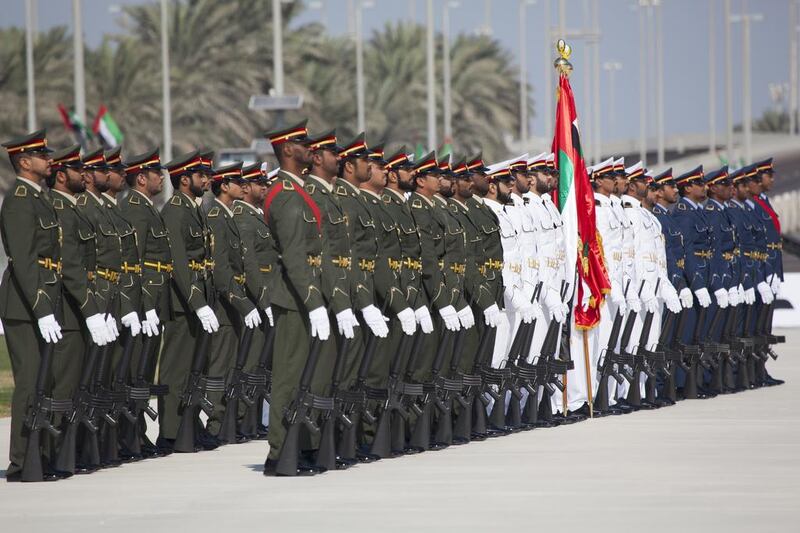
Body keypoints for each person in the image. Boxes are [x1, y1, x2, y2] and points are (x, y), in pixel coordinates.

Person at [261, 121, 329, 477]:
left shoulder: (298, 190)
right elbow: (294, 257)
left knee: (303, 376)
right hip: (293, 299)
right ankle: (278, 451)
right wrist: (314, 303)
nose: (309, 147)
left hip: (303, 296)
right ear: (287, 149)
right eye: (302, 143)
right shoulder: (285, 194)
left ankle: (297, 447)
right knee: (288, 377)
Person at [1, 130, 65, 482]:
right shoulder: (19, 200)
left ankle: (40, 453)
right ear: (24, 162)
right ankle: (22, 461)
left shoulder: (39, 198)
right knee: (29, 383)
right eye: (42, 155)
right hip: (25, 304)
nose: (49, 160)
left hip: (43, 299)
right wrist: (41, 308)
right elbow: (24, 260)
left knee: (45, 381)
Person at [157, 151, 220, 452]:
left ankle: (189, 424)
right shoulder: (175, 211)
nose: (207, 180)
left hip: (198, 296)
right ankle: (170, 431)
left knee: (196, 368)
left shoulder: (195, 209)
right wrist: (197, 302)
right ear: (184, 180)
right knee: (177, 367)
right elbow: (180, 265)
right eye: (201, 175)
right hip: (183, 301)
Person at [119, 148, 173, 457]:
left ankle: (138, 434)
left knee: (143, 373)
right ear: (141, 178)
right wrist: (144, 305)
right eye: (156, 174)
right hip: (142, 305)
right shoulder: (136, 211)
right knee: (135, 373)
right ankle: (131, 436)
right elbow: (135, 264)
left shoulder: (148, 208)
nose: (161, 178)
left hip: (153, 303)